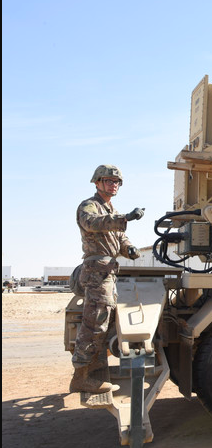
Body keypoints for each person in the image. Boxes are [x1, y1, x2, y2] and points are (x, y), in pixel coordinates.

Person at [70, 164, 145, 394]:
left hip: (107, 272)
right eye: (109, 181)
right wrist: (125, 217)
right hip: (96, 271)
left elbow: (120, 237)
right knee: (94, 325)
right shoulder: (90, 206)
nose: (114, 185)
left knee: (102, 325)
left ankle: (93, 375)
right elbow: (91, 223)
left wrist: (130, 248)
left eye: (117, 182)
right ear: (97, 182)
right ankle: (81, 377)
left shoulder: (109, 210)